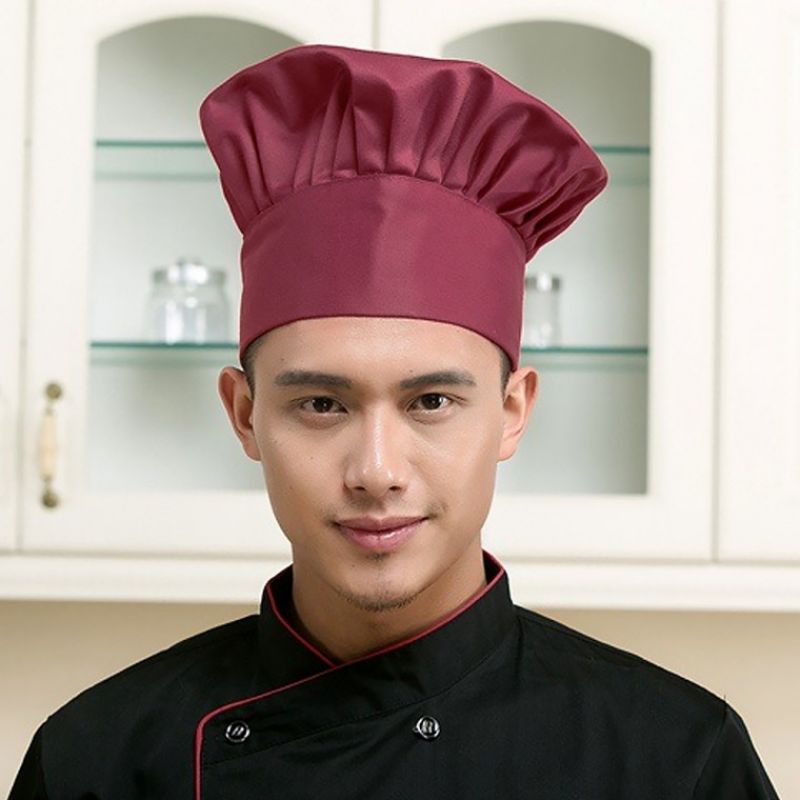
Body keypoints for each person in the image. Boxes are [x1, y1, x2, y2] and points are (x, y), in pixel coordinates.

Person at [9, 42, 780, 800]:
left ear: (512, 414)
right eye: (322, 404)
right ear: (244, 416)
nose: (376, 471)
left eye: (431, 402)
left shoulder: (676, 761)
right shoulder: (94, 760)